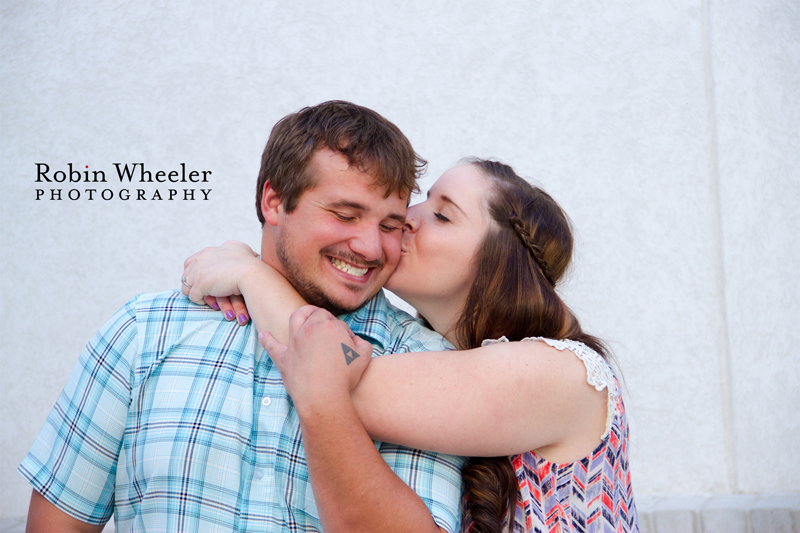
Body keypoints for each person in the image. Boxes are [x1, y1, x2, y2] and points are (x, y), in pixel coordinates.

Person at [19, 101, 466, 532]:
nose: (370, 247)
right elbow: (59, 523)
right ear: (274, 201)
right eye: (345, 214)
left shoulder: (427, 362)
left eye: (390, 225)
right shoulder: (145, 331)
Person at [182, 159, 639, 532]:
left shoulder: (563, 373)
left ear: (501, 264)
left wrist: (253, 274)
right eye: (422, 201)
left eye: (442, 215)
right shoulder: (441, 358)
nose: (406, 219)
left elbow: (330, 374)